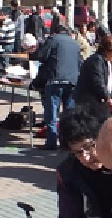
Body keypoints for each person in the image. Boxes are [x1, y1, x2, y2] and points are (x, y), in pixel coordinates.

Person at [32, 18, 82, 150]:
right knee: (68, 114)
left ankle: (51, 142)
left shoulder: (52, 40)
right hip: (72, 81)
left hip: (55, 80)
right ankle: (68, 142)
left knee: (52, 113)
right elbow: (79, 62)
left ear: (54, 31)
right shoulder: (75, 43)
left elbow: (41, 56)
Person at [74, 33, 112, 110]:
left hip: (99, 101)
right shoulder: (97, 60)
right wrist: (107, 98)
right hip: (88, 101)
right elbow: (98, 81)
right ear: (105, 51)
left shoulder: (108, 62)